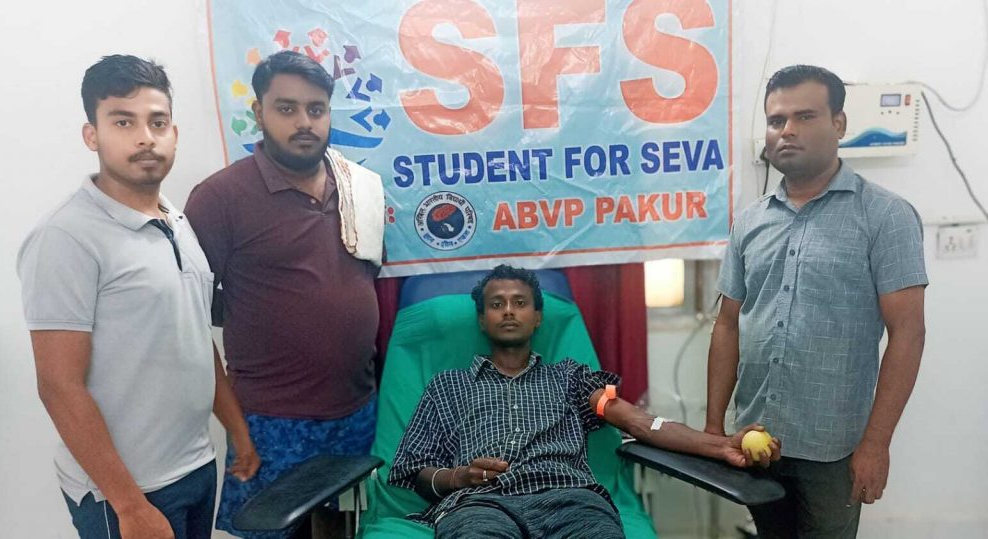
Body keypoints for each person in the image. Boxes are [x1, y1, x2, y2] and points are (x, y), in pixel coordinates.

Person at [17, 54, 259, 539]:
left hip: (196, 467)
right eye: (123, 122)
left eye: (157, 122)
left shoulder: (177, 221)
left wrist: (237, 430)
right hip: (127, 492)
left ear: (174, 133)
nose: (145, 137)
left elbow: (194, 337)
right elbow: (59, 386)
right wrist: (129, 504)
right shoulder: (66, 237)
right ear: (92, 136)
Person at [389, 265, 780, 538]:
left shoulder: (572, 379)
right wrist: (459, 477)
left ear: (538, 318)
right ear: (481, 320)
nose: (508, 310)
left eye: (520, 302)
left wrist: (720, 445)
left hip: (571, 502)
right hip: (480, 506)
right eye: (496, 304)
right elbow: (416, 468)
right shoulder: (447, 387)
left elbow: (638, 422)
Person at [705, 65, 928, 538]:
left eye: (804, 116)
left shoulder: (885, 216)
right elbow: (727, 324)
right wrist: (711, 429)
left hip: (834, 447)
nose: (787, 130)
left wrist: (876, 445)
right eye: (776, 120)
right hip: (756, 437)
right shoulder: (750, 222)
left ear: (839, 124)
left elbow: (908, 334)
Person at [184, 50, 384, 538]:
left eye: (316, 109)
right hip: (271, 422)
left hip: (356, 412)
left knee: (346, 529)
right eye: (286, 108)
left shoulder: (360, 187)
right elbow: (188, 311)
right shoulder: (219, 198)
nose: (304, 122)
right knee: (267, 532)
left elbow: (362, 282)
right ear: (259, 112)